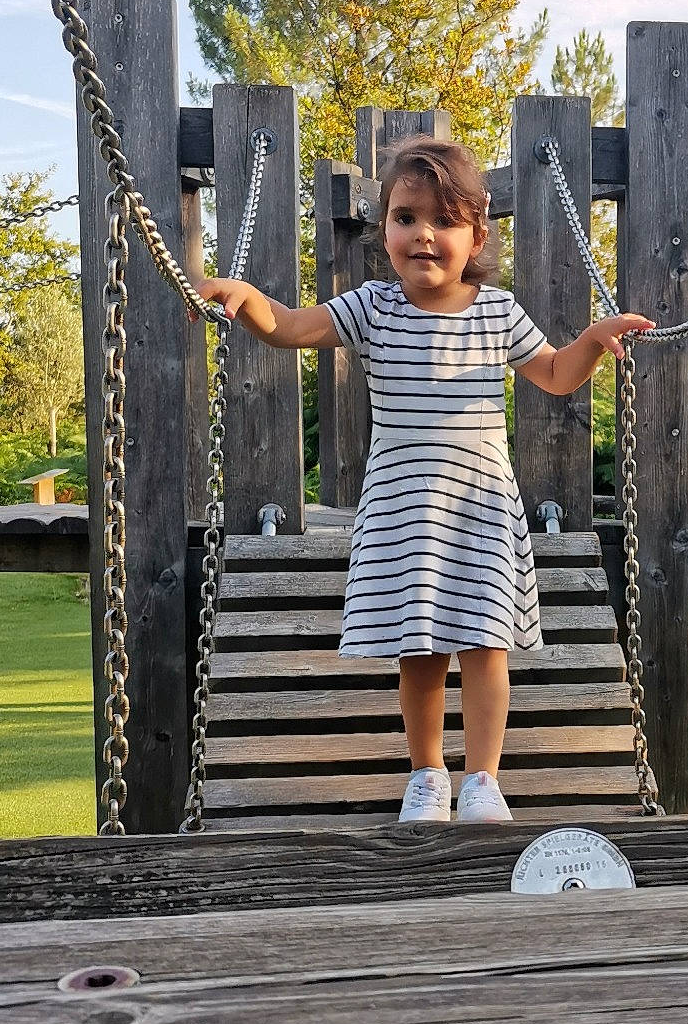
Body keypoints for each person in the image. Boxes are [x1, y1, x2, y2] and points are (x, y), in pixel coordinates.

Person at [198, 136, 652, 825]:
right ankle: (427, 775)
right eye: (406, 217)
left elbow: (556, 375)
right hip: (404, 510)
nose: (424, 235)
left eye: (444, 220)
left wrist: (592, 341)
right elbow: (289, 327)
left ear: (476, 235)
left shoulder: (496, 314)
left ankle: (483, 781)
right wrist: (247, 296)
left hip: (481, 510)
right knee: (419, 651)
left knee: (484, 645)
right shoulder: (373, 307)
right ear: (385, 231)